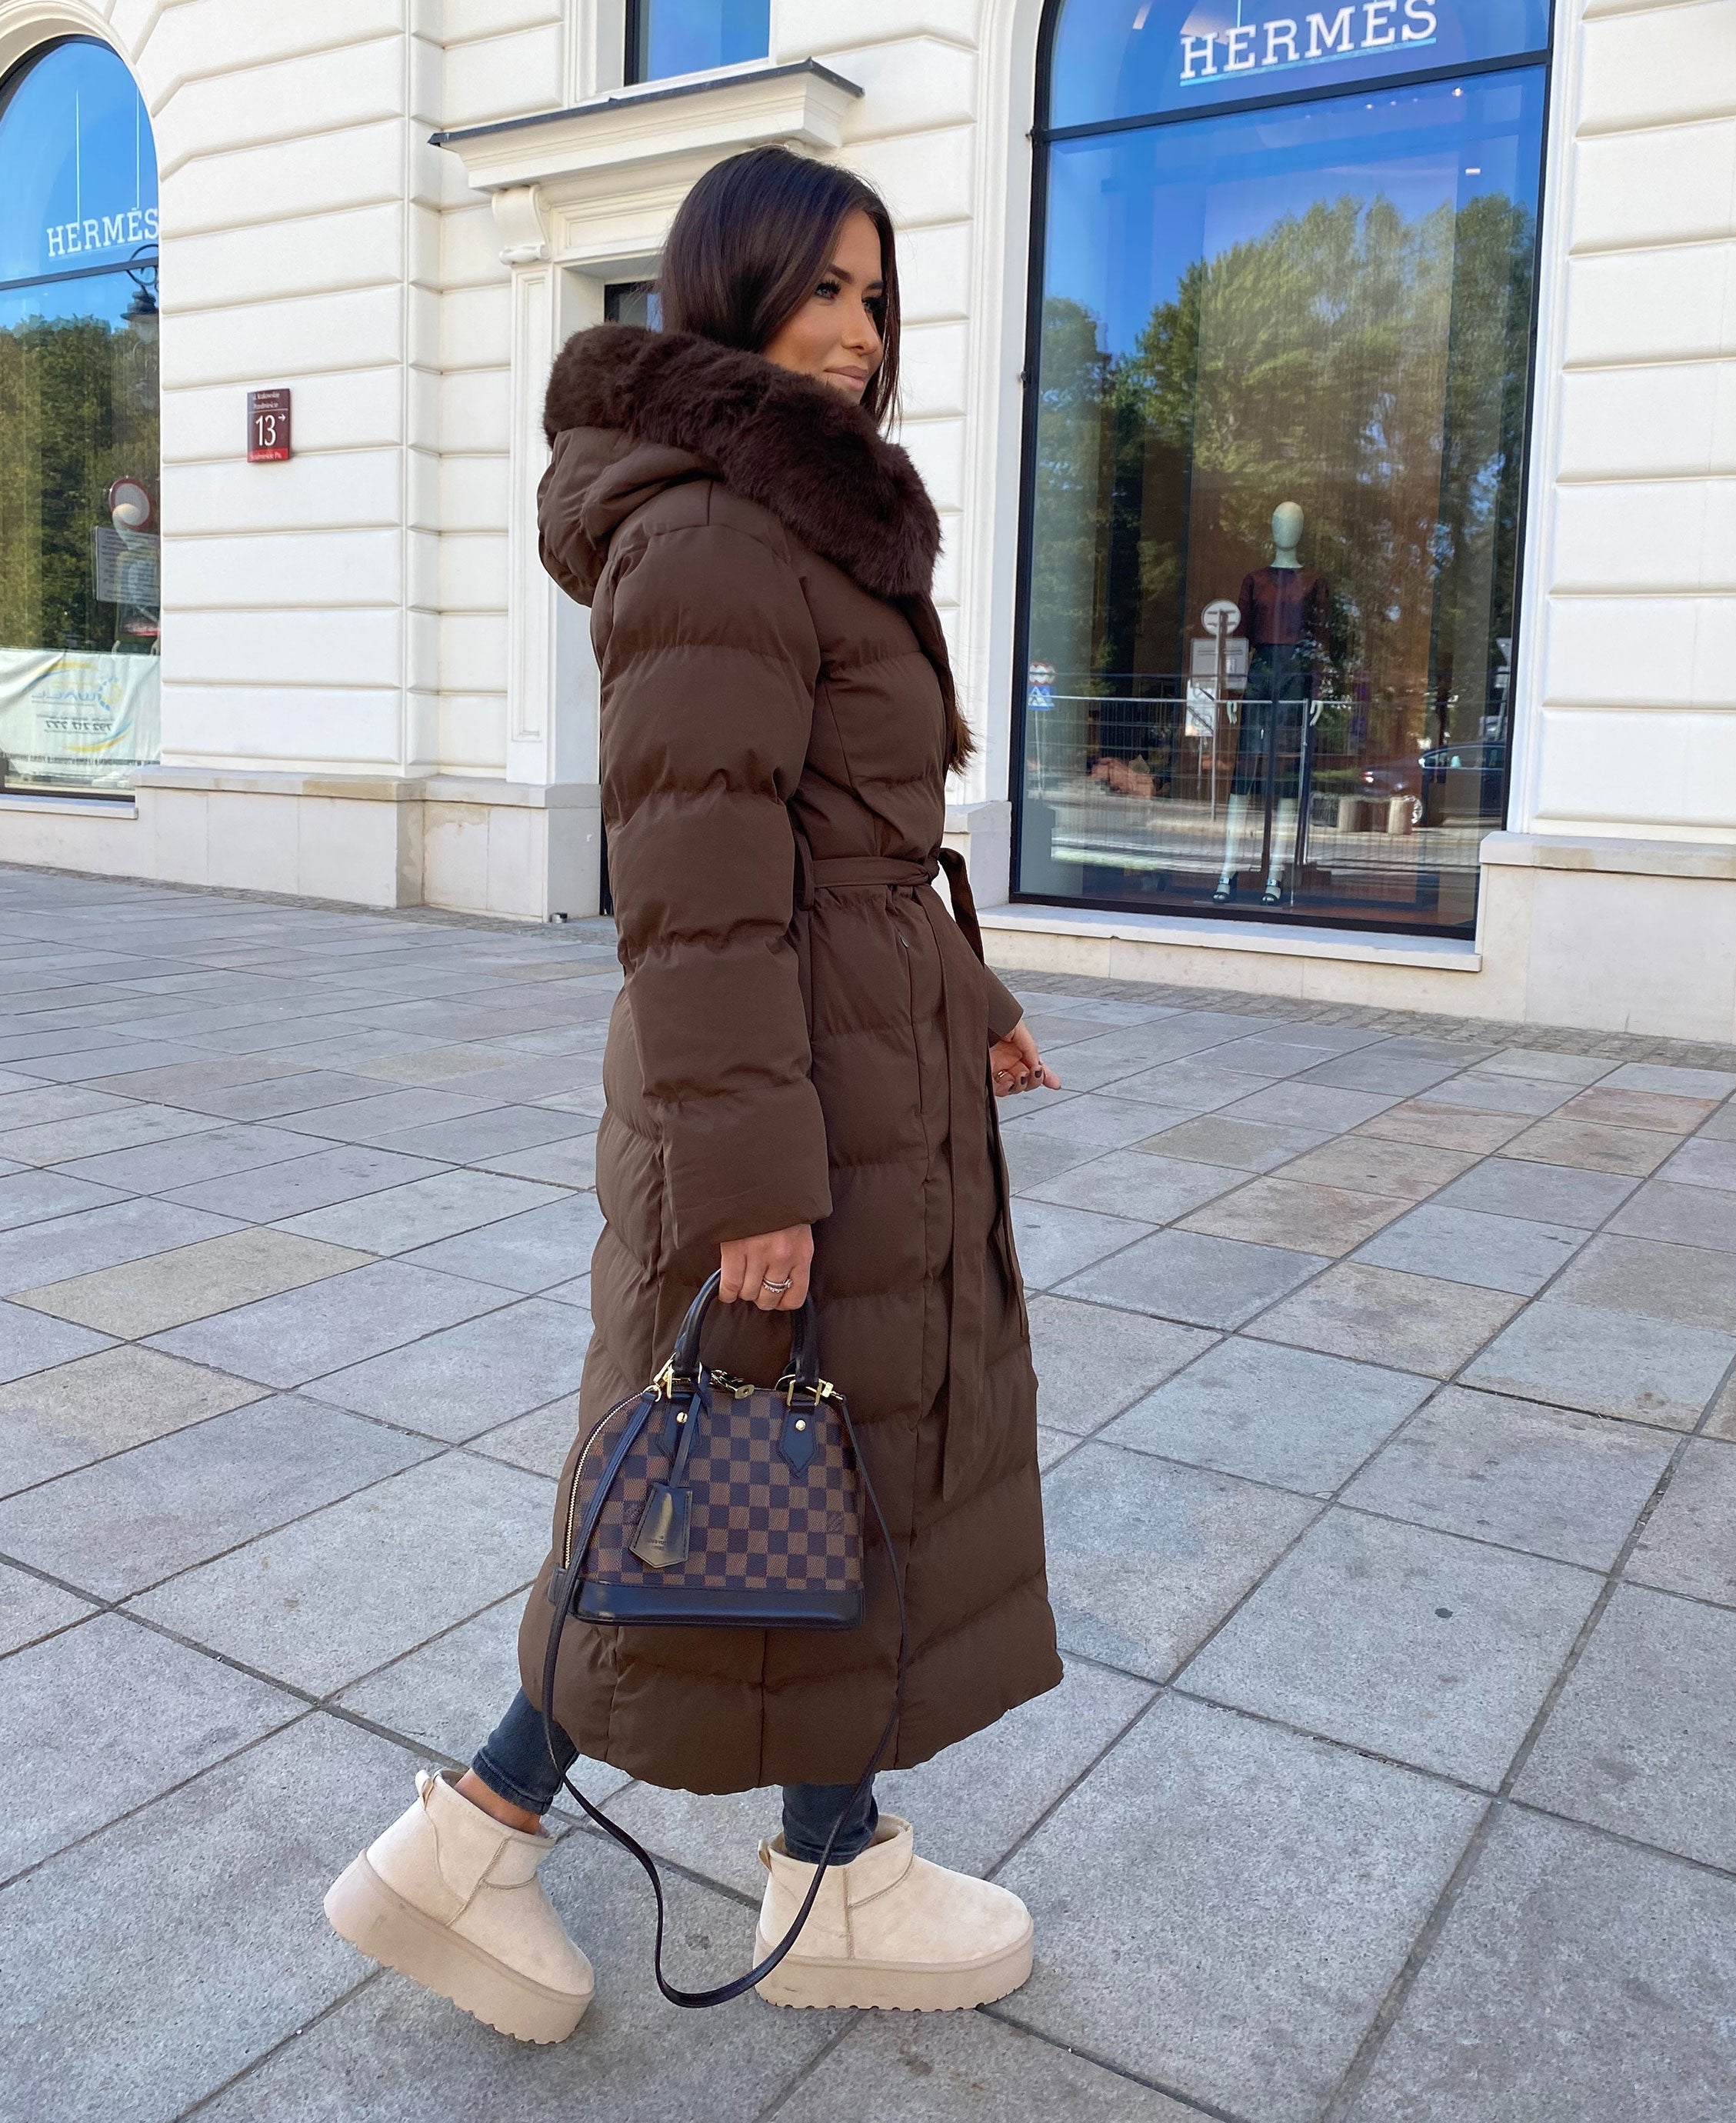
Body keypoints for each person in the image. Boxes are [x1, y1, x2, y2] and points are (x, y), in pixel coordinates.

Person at [324, 145, 1063, 2043]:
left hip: (857, 1075)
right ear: (728, 292)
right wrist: (753, 1181)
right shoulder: (716, 537)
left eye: (878, 298)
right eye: (819, 289)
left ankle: (829, 1859)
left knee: (816, 1478)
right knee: (702, 1489)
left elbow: (851, 843)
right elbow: (694, 888)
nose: (856, 333)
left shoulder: (806, 527)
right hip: (776, 1105)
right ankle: (474, 1843)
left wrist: (968, 996)